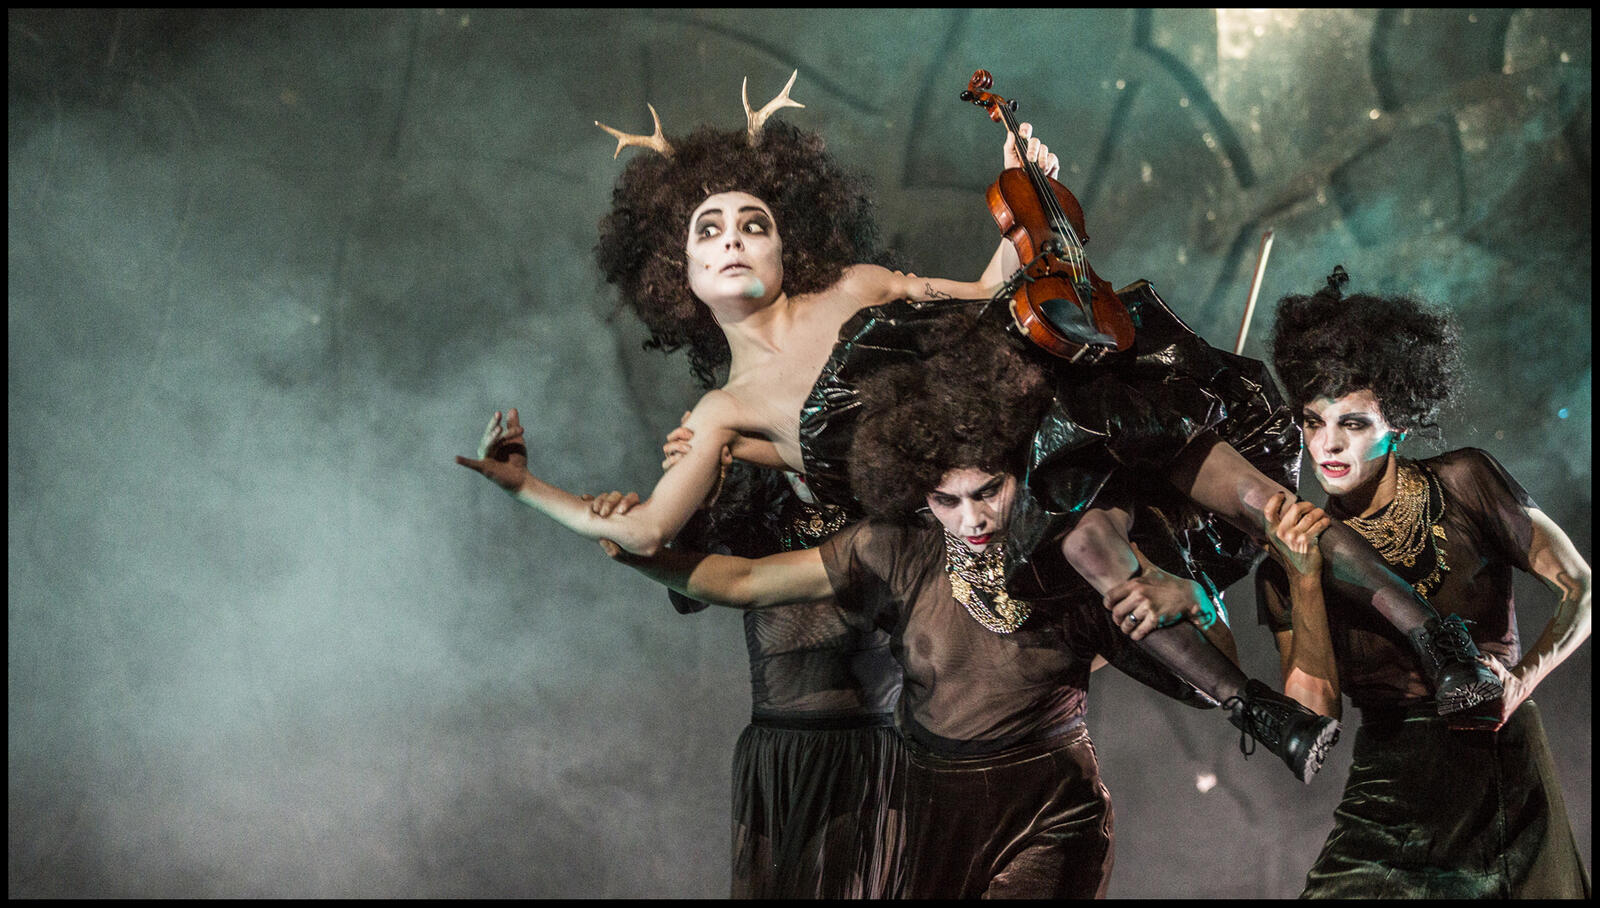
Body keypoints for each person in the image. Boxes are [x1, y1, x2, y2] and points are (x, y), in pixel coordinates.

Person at [456, 71, 1502, 719]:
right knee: (1105, 585)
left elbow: (993, 298)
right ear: (673, 273)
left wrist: (1025, 198)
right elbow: (649, 531)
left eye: (753, 221)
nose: (733, 238)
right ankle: (1264, 716)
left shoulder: (857, 285)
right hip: (1002, 510)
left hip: (1063, 409)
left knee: (1271, 503)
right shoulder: (724, 417)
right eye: (708, 230)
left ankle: (1437, 640)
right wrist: (527, 489)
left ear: (787, 239)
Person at [586, 341, 1341, 897]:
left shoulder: (1076, 558)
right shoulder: (895, 548)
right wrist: (641, 551)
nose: (970, 518)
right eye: (946, 499)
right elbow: (748, 581)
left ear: (1022, 470)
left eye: (988, 492)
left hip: (1050, 808)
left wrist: (1193, 595)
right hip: (930, 808)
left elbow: (1201, 676)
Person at [1256, 267, 1591, 898]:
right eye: (1313, 422)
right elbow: (1314, 717)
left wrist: (1520, 683)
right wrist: (1303, 580)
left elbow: (1584, 589)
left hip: (1500, 769)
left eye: (1353, 423)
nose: (1328, 445)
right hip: (1388, 793)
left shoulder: (1466, 481)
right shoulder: (1287, 557)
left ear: (1399, 423)